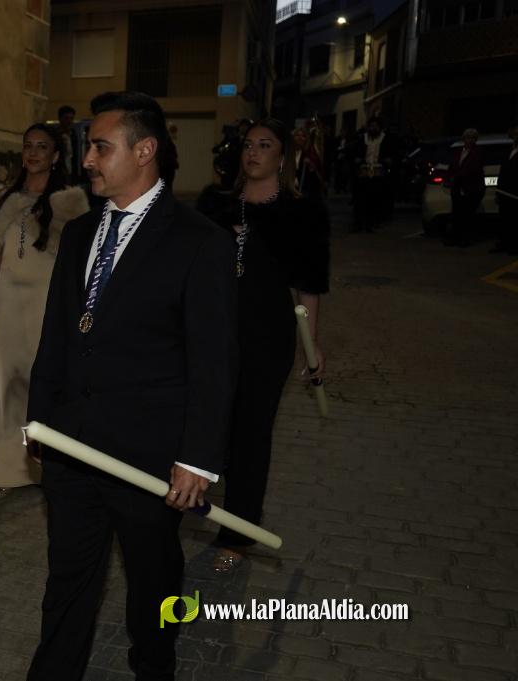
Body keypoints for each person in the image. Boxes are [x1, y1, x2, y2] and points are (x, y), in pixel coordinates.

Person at [25, 91, 238, 681]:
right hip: (72, 445)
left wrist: (197, 459)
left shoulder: (199, 241)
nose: (88, 159)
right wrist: (40, 420)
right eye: (90, 146)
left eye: (100, 147)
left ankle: (154, 668)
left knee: (154, 586)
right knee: (67, 583)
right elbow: (58, 337)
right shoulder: (79, 233)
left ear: (144, 151)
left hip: (149, 458)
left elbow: (215, 362)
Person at [198, 119, 330, 573]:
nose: (253, 152)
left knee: (250, 436)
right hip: (211, 331)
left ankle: (237, 533)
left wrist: (312, 346)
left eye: (265, 145)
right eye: (248, 145)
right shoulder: (213, 204)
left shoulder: (302, 212)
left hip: (267, 337)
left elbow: (308, 286)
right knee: (206, 425)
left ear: (282, 156)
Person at [0, 124, 89, 494]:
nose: (34, 153)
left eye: (42, 147)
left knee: (44, 384)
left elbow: (78, 264)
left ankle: (47, 465)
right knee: (6, 384)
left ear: (55, 155)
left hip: (47, 302)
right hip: (9, 300)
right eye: (28, 146)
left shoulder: (71, 202)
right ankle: (10, 470)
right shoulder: (3, 198)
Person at [352, 117, 396, 232]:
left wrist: (387, 161)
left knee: (375, 199)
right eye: (371, 126)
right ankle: (358, 223)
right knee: (360, 199)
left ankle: (371, 223)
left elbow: (391, 155)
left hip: (378, 172)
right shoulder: (363, 138)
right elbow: (356, 153)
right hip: (364, 171)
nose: (373, 128)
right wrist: (358, 160)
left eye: (375, 126)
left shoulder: (385, 139)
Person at [444, 128, 486, 248]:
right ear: (463, 139)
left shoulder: (478, 152)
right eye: (468, 137)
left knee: (467, 214)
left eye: (473, 138)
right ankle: (454, 238)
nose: (470, 140)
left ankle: (464, 239)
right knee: (456, 213)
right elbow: (452, 166)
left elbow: (473, 169)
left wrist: (455, 178)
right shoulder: (458, 152)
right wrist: (449, 178)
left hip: (471, 188)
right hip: (458, 188)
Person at [491, 121, 518, 255]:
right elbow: (503, 171)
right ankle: (503, 244)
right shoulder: (509, 150)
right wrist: (497, 191)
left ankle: (512, 246)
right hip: (504, 191)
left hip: (515, 193)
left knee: (513, 221)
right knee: (503, 220)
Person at [292, 126, 325, 199]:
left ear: (306, 139)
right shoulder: (287, 153)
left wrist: (311, 165)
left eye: (303, 136)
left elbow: (316, 175)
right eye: (297, 135)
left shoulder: (309, 154)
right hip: (288, 188)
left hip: (304, 189)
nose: (300, 137)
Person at [56, 105, 82, 185]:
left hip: (72, 170)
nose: (69, 121)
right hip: (59, 171)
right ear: (60, 119)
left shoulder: (73, 134)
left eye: (71, 118)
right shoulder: (55, 134)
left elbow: (74, 154)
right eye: (66, 118)